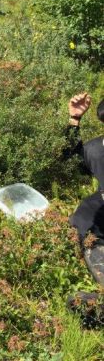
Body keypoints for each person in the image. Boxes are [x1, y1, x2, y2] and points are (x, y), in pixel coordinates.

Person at [65, 93, 104, 326]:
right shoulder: (95, 149)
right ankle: (92, 306)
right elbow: (69, 163)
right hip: (97, 227)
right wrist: (74, 121)